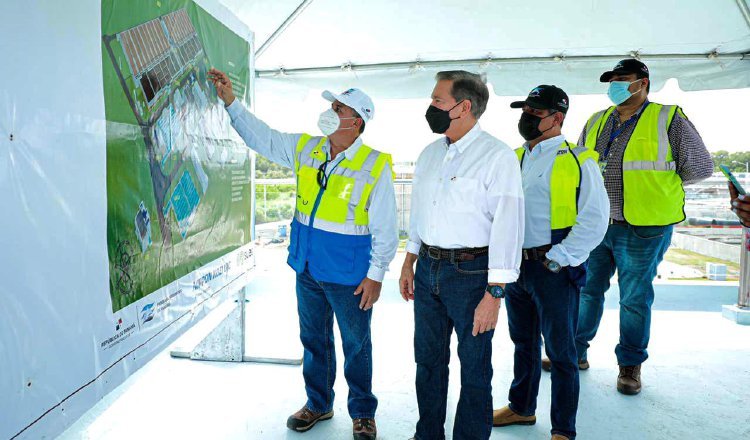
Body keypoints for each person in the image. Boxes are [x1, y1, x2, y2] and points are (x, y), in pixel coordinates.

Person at [209, 69, 398, 440]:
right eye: (331, 104)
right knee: (313, 338)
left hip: (349, 274)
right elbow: (262, 138)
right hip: (307, 265)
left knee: (356, 344)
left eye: (338, 107)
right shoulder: (306, 148)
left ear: (356, 121)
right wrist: (231, 102)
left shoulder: (375, 164)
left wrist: (376, 275)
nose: (330, 110)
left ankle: (362, 412)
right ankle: (318, 403)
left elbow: (386, 228)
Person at [542, 59, 713, 395]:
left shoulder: (668, 117)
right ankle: (576, 352)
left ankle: (630, 366)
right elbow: (577, 165)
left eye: (623, 79)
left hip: (644, 226)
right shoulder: (596, 120)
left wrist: (657, 189)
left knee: (634, 298)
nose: (616, 85)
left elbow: (700, 167)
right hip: (596, 225)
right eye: (612, 80)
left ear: (643, 83)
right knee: (586, 291)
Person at [399, 70, 524, 440]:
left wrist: (495, 293)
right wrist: (409, 259)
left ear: (463, 107)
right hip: (428, 270)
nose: (430, 107)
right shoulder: (429, 154)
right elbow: (419, 211)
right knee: (428, 363)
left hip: (473, 274)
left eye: (438, 100)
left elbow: (508, 227)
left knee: (474, 369)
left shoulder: (496, 156)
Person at [491, 85, 609, 440]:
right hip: (516, 266)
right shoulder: (511, 157)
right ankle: (522, 408)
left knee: (561, 352)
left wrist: (561, 258)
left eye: (535, 112)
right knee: (523, 342)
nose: (526, 117)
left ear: (557, 118)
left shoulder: (578, 159)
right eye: (524, 110)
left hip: (553, 266)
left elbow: (595, 218)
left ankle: (563, 429)